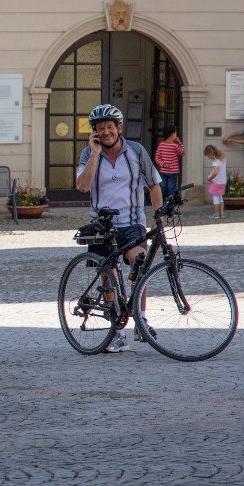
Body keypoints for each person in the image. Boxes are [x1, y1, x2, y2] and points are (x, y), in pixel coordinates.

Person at [75, 104, 163, 353]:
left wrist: (157, 216)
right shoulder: (88, 153)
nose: (106, 132)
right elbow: (83, 186)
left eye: (110, 127)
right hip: (102, 225)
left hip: (132, 222)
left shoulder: (136, 151)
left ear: (119, 128)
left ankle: (141, 319)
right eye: (100, 128)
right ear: (95, 132)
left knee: (140, 264)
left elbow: (154, 184)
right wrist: (94, 154)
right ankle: (117, 332)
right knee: (109, 276)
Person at [153, 125, 184, 200]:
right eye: (175, 133)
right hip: (172, 171)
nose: (176, 135)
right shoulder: (175, 145)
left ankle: (162, 201)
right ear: (172, 134)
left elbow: (157, 158)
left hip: (164, 171)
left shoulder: (161, 145)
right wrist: (179, 143)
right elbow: (182, 153)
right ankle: (169, 201)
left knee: (163, 186)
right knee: (171, 187)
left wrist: (162, 164)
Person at [204, 145, 227, 219]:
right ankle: (222, 213)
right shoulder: (222, 158)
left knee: (215, 197)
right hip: (223, 181)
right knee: (220, 197)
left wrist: (210, 178)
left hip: (216, 182)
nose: (208, 157)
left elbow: (216, 172)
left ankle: (216, 214)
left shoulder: (215, 162)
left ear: (211, 154)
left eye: (208, 156)